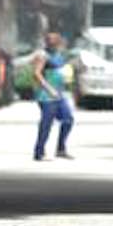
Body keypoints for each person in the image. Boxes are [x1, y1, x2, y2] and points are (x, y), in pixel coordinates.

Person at [32, 32, 75, 161]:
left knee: (68, 119)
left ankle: (61, 149)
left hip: (59, 94)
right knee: (46, 124)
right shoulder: (42, 55)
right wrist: (49, 89)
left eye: (55, 42)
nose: (53, 44)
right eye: (50, 41)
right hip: (46, 96)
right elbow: (36, 74)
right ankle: (39, 152)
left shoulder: (59, 55)